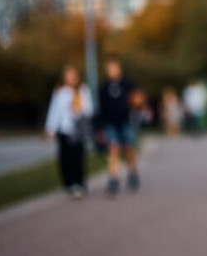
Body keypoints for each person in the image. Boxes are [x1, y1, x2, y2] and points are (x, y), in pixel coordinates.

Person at [44, 65, 93, 199]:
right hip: (64, 129)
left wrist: (80, 109)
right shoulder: (60, 92)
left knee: (78, 157)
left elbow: (89, 110)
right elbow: (54, 111)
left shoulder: (83, 90)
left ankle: (79, 183)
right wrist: (50, 128)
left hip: (78, 129)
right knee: (65, 158)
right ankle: (69, 184)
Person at [97, 55, 140, 196]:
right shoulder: (104, 88)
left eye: (114, 67)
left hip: (125, 121)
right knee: (113, 149)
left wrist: (138, 102)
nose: (112, 70)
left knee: (129, 148)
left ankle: (133, 173)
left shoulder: (127, 83)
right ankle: (113, 179)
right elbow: (101, 109)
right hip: (110, 123)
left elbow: (137, 98)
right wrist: (100, 128)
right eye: (109, 68)